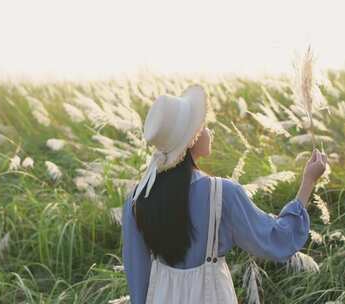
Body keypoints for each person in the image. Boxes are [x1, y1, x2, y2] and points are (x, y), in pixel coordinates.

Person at [121, 84, 327, 304]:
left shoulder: (137, 199)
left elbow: (138, 277)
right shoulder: (222, 194)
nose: (209, 131)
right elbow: (277, 240)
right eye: (204, 126)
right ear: (192, 140)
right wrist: (308, 182)